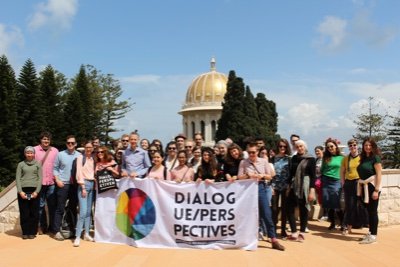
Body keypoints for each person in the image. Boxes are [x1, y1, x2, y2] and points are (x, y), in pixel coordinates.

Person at [238, 143, 285, 251]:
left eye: (253, 152)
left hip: (261, 187)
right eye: (249, 152)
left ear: (257, 152)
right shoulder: (243, 162)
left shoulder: (264, 161)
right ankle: (247, 238)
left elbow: (270, 176)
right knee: (248, 214)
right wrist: (248, 175)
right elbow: (240, 177)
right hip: (248, 189)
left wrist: (262, 176)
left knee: (266, 214)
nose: (251, 154)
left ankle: (273, 239)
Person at [286, 140, 316, 241]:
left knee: (304, 209)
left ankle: (302, 233)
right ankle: (294, 232)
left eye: (301, 146)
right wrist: (288, 185)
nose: (300, 148)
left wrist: (312, 190)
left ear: (305, 147)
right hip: (294, 185)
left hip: (305, 186)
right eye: (297, 146)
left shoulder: (311, 159)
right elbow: (291, 173)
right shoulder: (294, 158)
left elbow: (313, 176)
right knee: (289, 208)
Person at [52, 135, 80, 241]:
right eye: (68, 143)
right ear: (66, 144)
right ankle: (56, 231)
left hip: (74, 185)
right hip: (62, 184)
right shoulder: (60, 155)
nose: (70, 144)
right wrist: (57, 180)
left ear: (76, 144)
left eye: (72, 143)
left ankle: (72, 229)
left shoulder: (79, 156)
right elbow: (55, 168)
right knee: (60, 208)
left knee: (73, 208)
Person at [357, 138, 382, 244]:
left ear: (373, 146)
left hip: (373, 187)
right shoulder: (363, 158)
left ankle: (373, 235)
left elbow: (379, 174)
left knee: (373, 212)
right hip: (365, 187)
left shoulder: (375, 158)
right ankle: (371, 232)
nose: (367, 147)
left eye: (370, 145)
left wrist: (376, 190)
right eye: (366, 145)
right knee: (369, 211)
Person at [34, 131, 58, 235]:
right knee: (40, 206)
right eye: (44, 139)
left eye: (48, 139)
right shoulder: (34, 150)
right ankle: (41, 226)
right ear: (40, 140)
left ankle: (52, 227)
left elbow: (58, 166)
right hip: (39, 183)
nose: (46, 141)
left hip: (52, 183)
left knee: (52, 206)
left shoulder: (55, 151)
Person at [73, 141, 97, 247]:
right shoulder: (80, 158)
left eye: (90, 147)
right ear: (84, 148)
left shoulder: (93, 159)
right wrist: (82, 187)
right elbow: (79, 173)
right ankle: (77, 236)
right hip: (84, 185)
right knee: (82, 213)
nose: (89, 149)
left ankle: (86, 233)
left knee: (88, 212)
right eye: (87, 147)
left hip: (92, 185)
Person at [16, 146, 42, 239]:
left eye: (31, 153)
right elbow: (18, 179)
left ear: (34, 154)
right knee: (24, 212)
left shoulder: (38, 164)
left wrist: (36, 191)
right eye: (28, 153)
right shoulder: (21, 164)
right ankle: (25, 232)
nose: (29, 154)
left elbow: (40, 179)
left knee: (34, 212)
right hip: (23, 191)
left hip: (34, 191)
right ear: (25, 154)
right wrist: (20, 191)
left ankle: (32, 232)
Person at [321, 138, 345, 231]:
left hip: (337, 181)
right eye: (328, 147)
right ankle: (332, 223)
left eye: (332, 146)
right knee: (328, 203)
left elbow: (344, 170)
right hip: (326, 181)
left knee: (336, 203)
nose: (330, 148)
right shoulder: (325, 158)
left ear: (336, 147)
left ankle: (343, 223)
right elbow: (323, 169)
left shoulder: (342, 158)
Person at [271, 139, 291, 238]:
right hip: (274, 186)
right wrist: (271, 186)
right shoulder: (272, 159)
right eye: (280, 146)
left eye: (284, 146)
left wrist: (289, 186)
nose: (282, 148)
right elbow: (270, 172)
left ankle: (283, 230)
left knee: (284, 208)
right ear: (277, 147)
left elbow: (291, 174)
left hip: (285, 186)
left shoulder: (289, 159)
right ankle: (273, 230)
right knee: (274, 209)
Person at [314, 145, 327, 220]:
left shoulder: (325, 159)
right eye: (316, 151)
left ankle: (326, 214)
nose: (317, 152)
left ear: (322, 151)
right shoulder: (316, 160)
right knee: (320, 197)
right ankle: (324, 213)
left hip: (324, 179)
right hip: (317, 179)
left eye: (318, 151)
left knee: (325, 196)